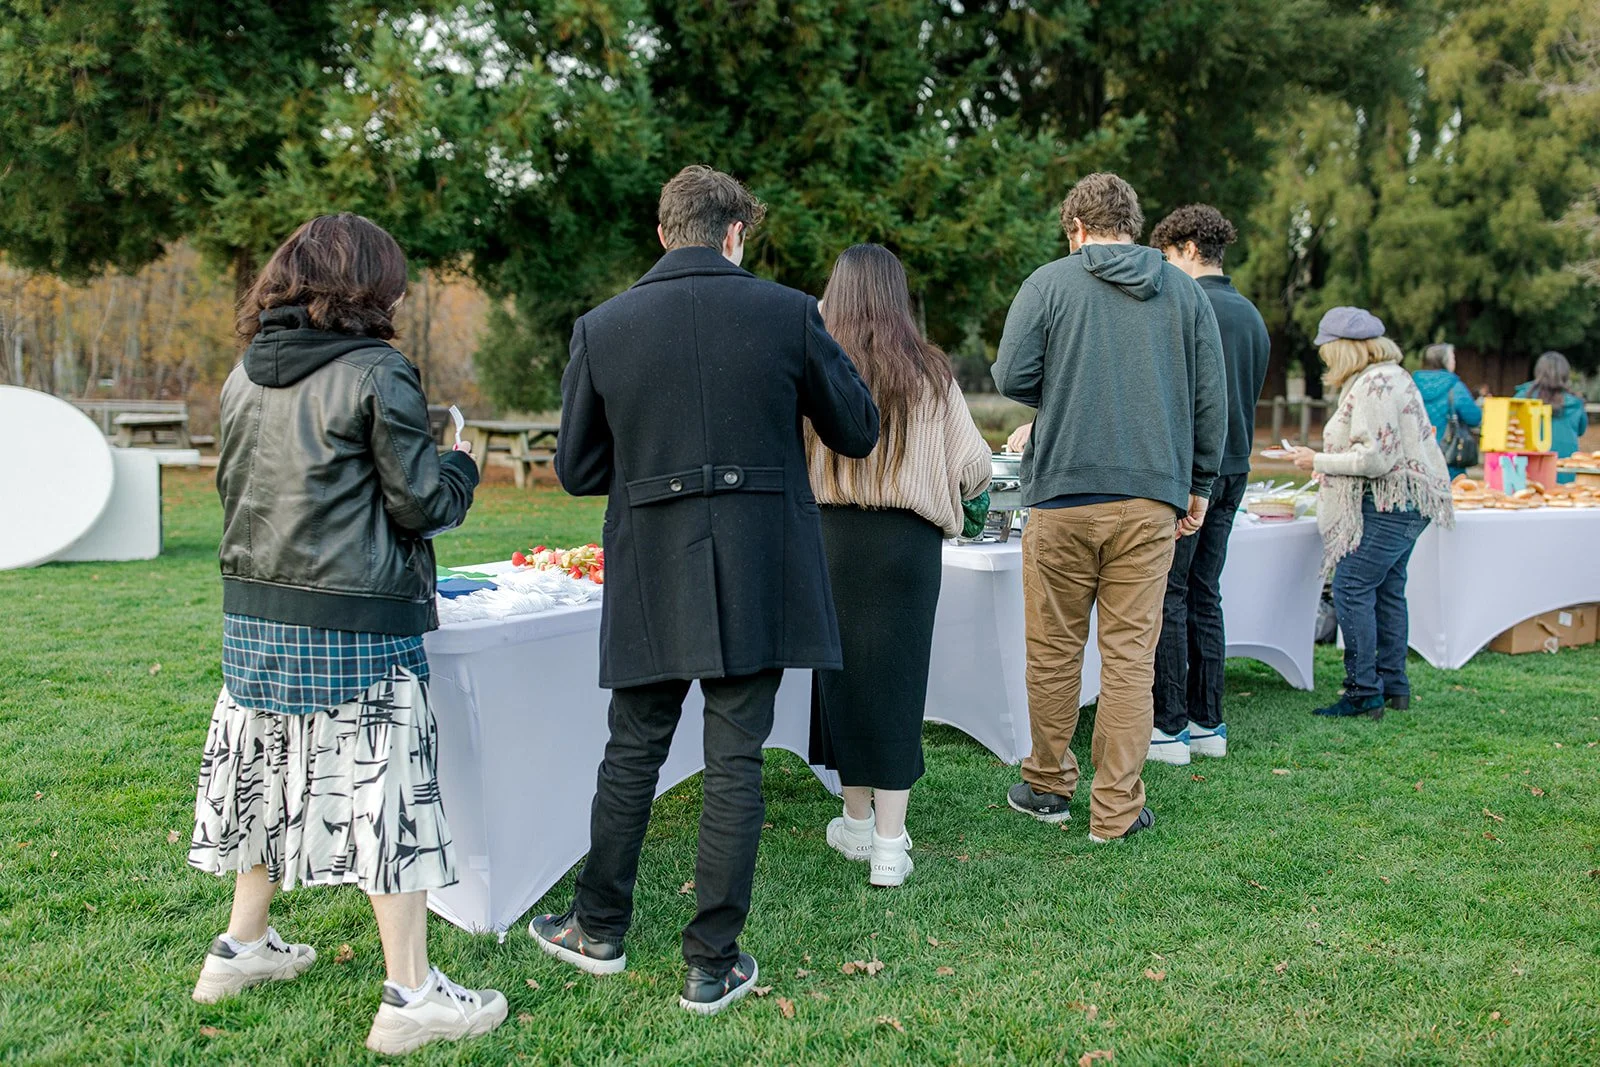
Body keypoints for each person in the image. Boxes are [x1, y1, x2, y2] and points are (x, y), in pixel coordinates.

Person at [530, 166, 879, 1016]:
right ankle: (709, 963)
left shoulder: (603, 326)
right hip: (760, 563)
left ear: (663, 233)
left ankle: (599, 926)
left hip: (653, 560)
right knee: (735, 760)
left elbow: (576, 468)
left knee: (633, 748)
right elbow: (858, 428)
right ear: (734, 235)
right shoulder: (788, 312)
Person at [188, 214, 502, 1056]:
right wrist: (462, 460)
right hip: (355, 622)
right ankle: (411, 995)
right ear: (366, 287)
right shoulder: (379, 370)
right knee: (386, 794)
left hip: (253, 616)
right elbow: (423, 504)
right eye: (393, 281)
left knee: (261, 773)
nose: (401, 295)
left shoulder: (241, 375)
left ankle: (240, 947)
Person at [992, 172, 1226, 843]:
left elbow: (1011, 376)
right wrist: (1200, 482)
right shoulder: (1183, 292)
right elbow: (1211, 399)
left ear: (1076, 229)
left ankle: (1047, 784)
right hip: (1150, 500)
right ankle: (1115, 810)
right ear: (1131, 223)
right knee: (1130, 656)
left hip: (1061, 497)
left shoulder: (1049, 284)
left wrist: (1062, 383)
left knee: (1054, 649)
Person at [805, 244, 992, 888]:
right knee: (897, 681)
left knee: (842, 678)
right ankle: (887, 841)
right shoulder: (930, 372)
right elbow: (972, 465)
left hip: (829, 538)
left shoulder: (813, 365)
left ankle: (856, 824)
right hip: (908, 545)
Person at [1144, 205, 1270, 765]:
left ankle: (1169, 726)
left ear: (1190, 249)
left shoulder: (1184, 306)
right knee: (1205, 590)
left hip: (1195, 467)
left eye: (1169, 255)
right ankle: (1207, 723)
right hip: (1237, 465)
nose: (1166, 267)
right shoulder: (1252, 315)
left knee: (1171, 590)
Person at [1285, 308, 1453, 719]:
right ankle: (1393, 684)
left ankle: (1363, 691)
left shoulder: (1375, 384)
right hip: (1410, 500)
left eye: (1327, 350)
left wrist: (1317, 460)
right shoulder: (1392, 375)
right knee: (1387, 588)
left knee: (1351, 585)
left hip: (1392, 500)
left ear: (1345, 349)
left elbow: (1376, 459)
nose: (1324, 359)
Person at [1515, 351, 1589, 483]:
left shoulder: (1522, 399)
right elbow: (1581, 430)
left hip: (1527, 467)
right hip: (1565, 468)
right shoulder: (1576, 402)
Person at [1412, 343, 1482, 480]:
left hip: (1416, 456)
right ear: (1445, 362)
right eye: (1453, 358)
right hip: (1448, 458)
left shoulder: (1410, 384)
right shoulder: (1454, 387)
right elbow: (1474, 417)